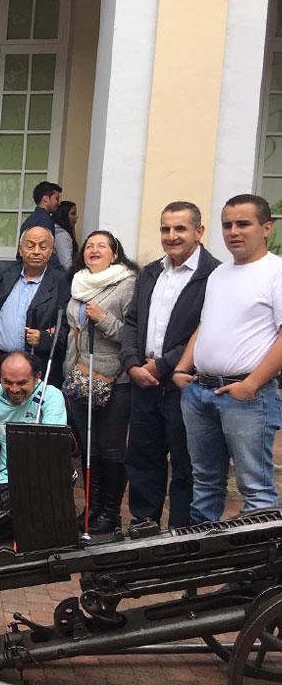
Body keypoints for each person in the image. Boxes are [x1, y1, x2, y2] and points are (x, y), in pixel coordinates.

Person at [173, 194, 282, 523]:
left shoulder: (276, 271)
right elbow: (205, 326)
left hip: (247, 396)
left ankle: (257, 570)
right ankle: (202, 559)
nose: (233, 231)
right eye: (227, 225)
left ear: (266, 228)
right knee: (204, 482)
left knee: (255, 488)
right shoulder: (219, 274)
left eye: (243, 223)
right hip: (199, 391)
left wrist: (251, 384)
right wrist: (181, 368)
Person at [120, 202, 220, 529]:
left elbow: (205, 330)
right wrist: (133, 363)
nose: (172, 236)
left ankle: (180, 536)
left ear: (199, 232)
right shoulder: (150, 272)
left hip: (183, 385)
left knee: (185, 465)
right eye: (166, 229)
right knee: (143, 460)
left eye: (180, 229)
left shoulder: (214, 276)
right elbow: (132, 322)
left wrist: (163, 365)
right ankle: (145, 526)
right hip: (143, 384)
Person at [63, 230, 137, 534]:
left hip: (113, 380)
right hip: (79, 377)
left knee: (111, 449)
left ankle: (110, 512)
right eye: (89, 246)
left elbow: (132, 334)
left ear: (115, 253)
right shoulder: (78, 283)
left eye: (101, 246)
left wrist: (103, 317)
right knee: (89, 448)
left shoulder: (127, 283)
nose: (94, 250)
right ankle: (91, 509)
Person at [0, 352, 67, 548]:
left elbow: (53, 451)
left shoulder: (51, 397)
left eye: (22, 383)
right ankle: (21, 521)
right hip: (6, 479)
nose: (14, 389)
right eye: (7, 382)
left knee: (53, 538)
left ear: (37, 377)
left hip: (42, 480)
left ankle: (33, 519)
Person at [0, 225, 70, 387]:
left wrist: (44, 338)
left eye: (43, 246)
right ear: (20, 250)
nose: (36, 251)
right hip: (0, 362)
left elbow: (68, 327)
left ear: (52, 251)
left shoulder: (63, 282)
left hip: (37, 365)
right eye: (30, 246)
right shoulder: (2, 271)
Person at [17, 181, 62, 256]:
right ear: (46, 199)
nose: (59, 203)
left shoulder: (31, 218)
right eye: (56, 198)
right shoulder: (44, 220)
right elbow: (46, 252)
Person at [52, 201, 79, 269]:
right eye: (73, 213)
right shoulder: (62, 235)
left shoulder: (58, 232)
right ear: (63, 215)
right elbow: (66, 263)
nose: (76, 217)